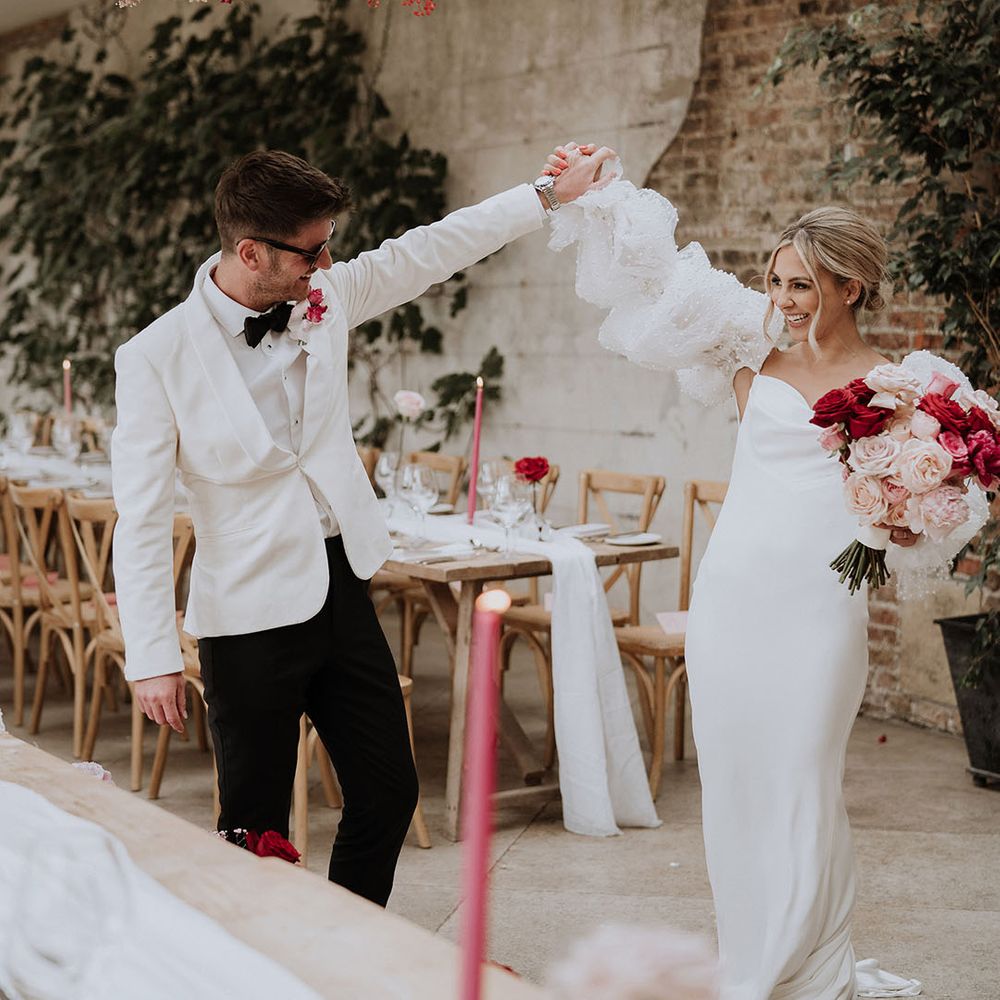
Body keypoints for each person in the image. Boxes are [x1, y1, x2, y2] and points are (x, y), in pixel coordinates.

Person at [112, 144, 615, 907]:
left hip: (342, 584)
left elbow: (432, 248)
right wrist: (150, 654)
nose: (326, 262)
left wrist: (547, 195)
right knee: (254, 834)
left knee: (388, 791)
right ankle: (266, 972)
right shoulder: (153, 357)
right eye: (311, 250)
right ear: (250, 251)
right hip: (244, 616)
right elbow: (141, 516)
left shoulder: (326, 298)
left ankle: (347, 953)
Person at [544, 145, 944, 998]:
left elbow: (918, 511)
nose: (785, 301)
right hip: (732, 598)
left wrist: (895, 520)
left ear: (850, 288)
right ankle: (749, 953)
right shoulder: (745, 356)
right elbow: (655, 283)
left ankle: (804, 963)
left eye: (802, 285)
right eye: (776, 282)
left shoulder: (898, 388)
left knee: (803, 774)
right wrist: (606, 201)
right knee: (731, 783)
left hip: (819, 604)